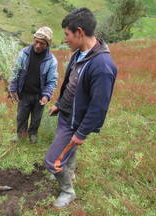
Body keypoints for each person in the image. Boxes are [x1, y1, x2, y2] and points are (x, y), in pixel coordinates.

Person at [44, 8, 117, 208]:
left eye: (67, 34)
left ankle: (67, 192)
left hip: (76, 123)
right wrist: (59, 104)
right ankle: (68, 174)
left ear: (79, 32)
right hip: (67, 115)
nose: (65, 39)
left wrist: (82, 132)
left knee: (51, 162)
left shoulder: (102, 65)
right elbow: (71, 84)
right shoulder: (79, 54)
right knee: (68, 152)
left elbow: (99, 106)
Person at [9, 26, 58, 143]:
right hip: (24, 93)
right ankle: (21, 135)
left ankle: (33, 134)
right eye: (36, 42)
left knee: (36, 118)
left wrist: (46, 95)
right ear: (33, 39)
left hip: (39, 95)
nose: (38, 46)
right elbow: (15, 71)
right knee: (21, 116)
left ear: (48, 44)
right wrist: (12, 88)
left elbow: (52, 81)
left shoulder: (51, 60)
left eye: (42, 43)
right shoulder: (23, 54)